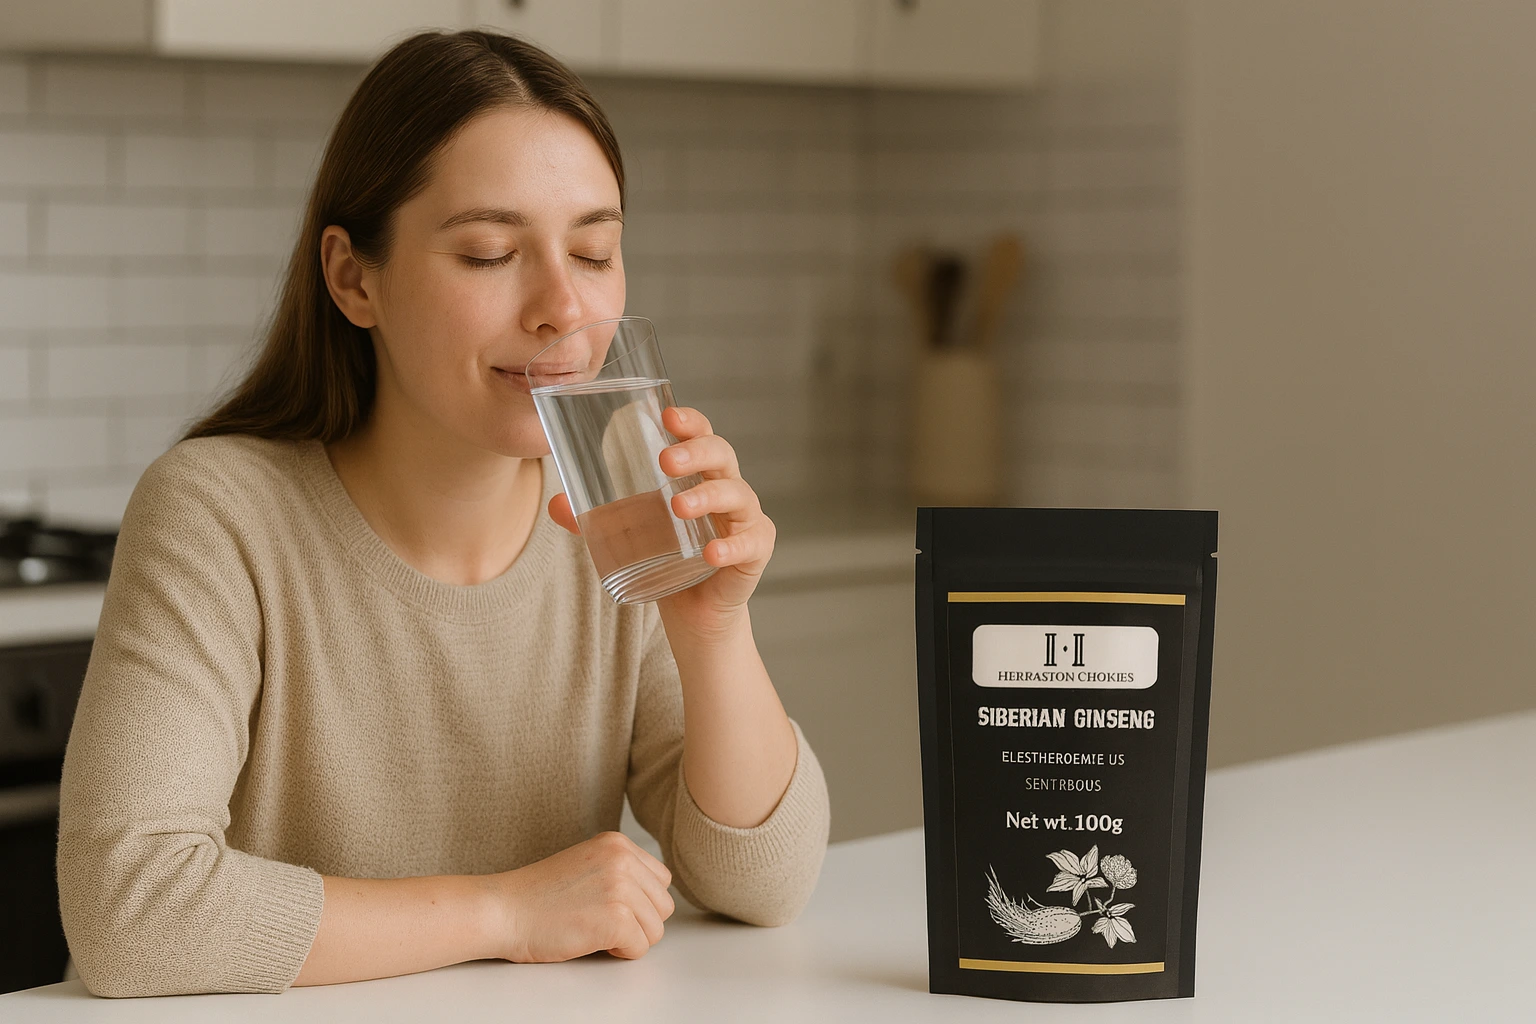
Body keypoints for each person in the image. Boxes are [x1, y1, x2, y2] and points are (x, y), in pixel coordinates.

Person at [55, 30, 830, 998]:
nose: (561, 306)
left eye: (594, 251)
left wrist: (715, 629)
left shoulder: (617, 515)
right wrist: (508, 911)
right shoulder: (220, 513)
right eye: (490, 252)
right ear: (353, 278)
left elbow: (767, 881)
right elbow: (129, 913)